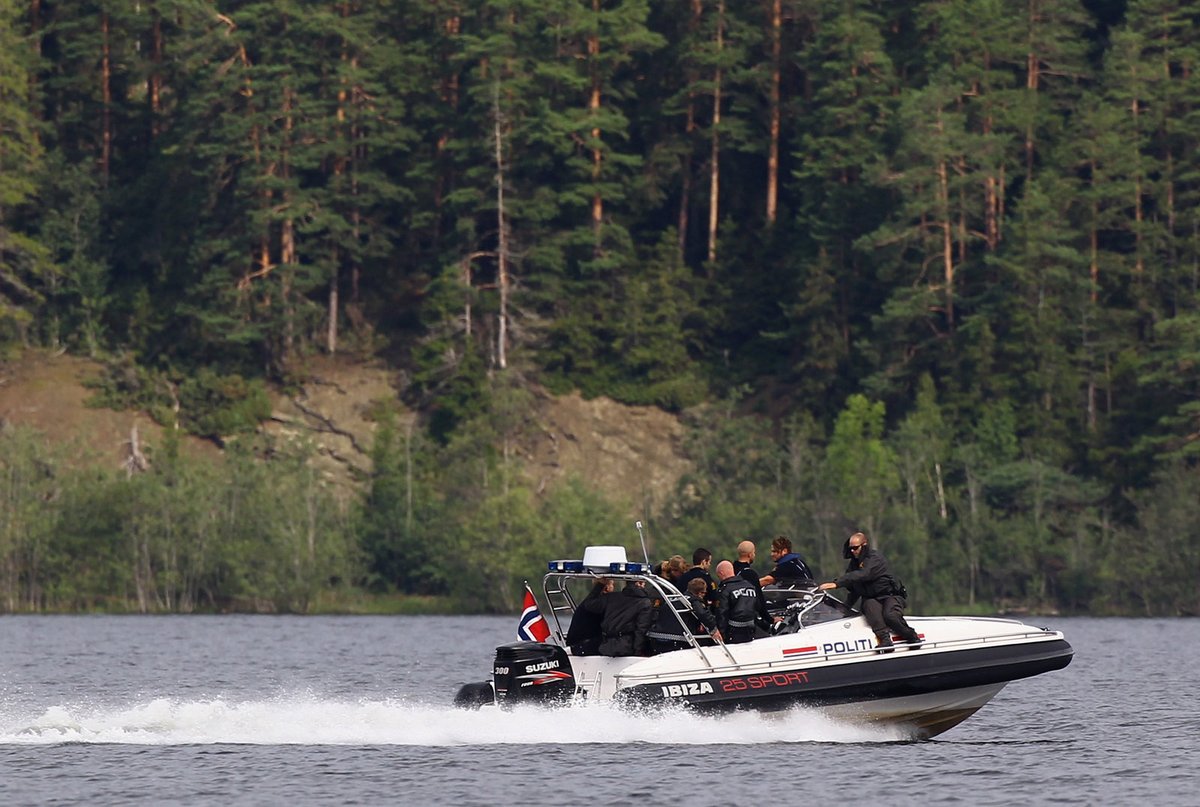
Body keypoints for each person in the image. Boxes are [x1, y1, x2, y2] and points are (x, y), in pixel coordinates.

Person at [818, 532, 921, 652]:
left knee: (890, 616)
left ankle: (912, 637)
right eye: (850, 548)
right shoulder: (853, 566)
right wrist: (843, 611)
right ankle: (885, 641)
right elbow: (854, 589)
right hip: (871, 599)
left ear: (864, 545)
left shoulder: (875, 558)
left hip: (889, 596)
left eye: (855, 548)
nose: (852, 551)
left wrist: (837, 583)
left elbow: (863, 575)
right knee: (869, 607)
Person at [714, 560, 774, 643]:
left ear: (721, 573)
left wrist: (722, 635)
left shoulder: (724, 591)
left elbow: (722, 615)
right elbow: (758, 607)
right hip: (751, 630)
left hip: (733, 633)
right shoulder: (750, 586)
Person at [599, 579, 654, 656]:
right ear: (639, 583)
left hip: (606, 646)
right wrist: (638, 651)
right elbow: (641, 630)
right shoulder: (645, 603)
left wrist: (599, 584)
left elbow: (590, 605)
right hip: (627, 648)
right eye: (644, 583)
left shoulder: (611, 597)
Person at [565, 577, 613, 655]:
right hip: (582, 647)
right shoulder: (598, 604)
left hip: (576, 644)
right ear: (607, 587)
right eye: (612, 584)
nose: (612, 587)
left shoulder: (589, 602)